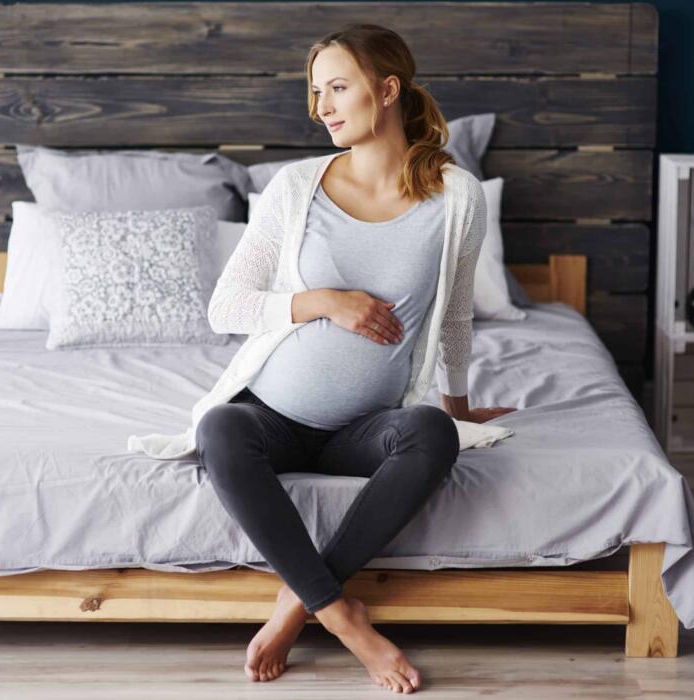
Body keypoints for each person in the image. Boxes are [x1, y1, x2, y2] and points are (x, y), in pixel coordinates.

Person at [194, 24, 516, 694]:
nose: (322, 107)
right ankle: (341, 615)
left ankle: (295, 602)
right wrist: (322, 302)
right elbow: (226, 306)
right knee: (219, 430)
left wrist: (458, 410)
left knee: (431, 435)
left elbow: (455, 315)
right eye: (317, 92)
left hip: (361, 431)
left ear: (387, 89)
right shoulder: (295, 188)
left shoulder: (456, 199)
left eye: (337, 88)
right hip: (274, 418)